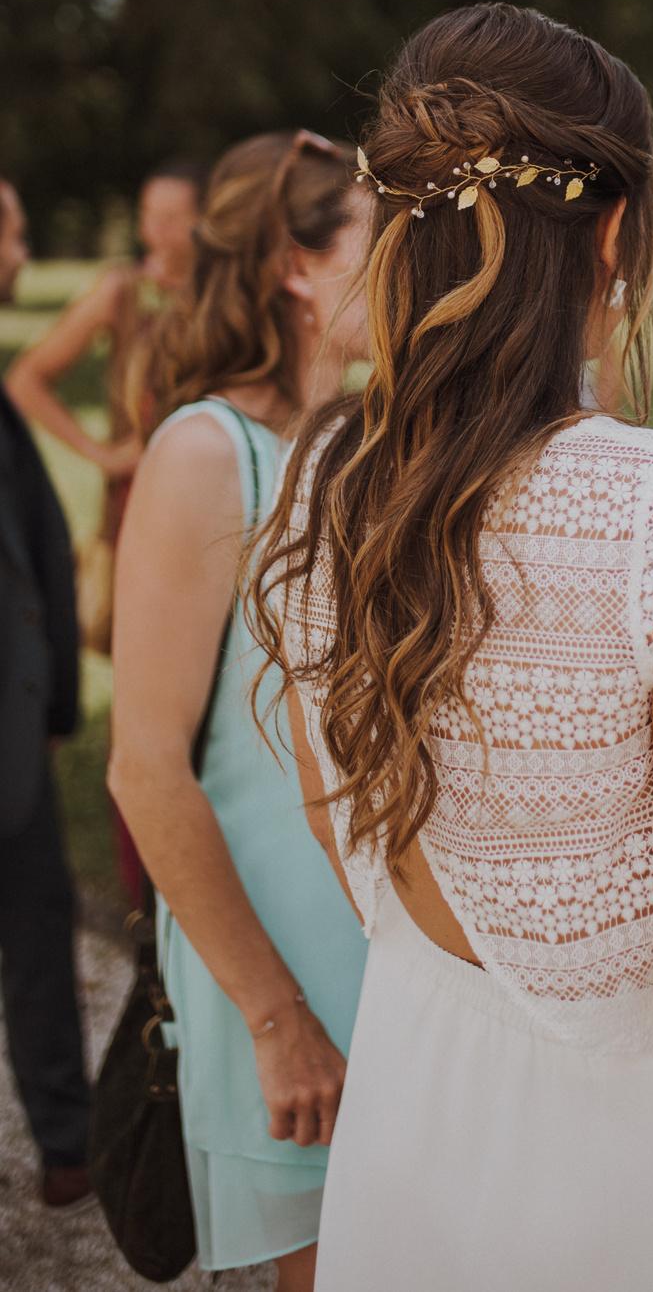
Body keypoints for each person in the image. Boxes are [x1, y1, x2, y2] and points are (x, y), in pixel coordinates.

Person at [255, 5, 653, 1292]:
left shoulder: (316, 479)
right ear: (613, 229)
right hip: (652, 1171)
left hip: (415, 1119)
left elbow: (344, 833)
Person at [108, 132, 371, 1292]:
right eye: (386, 239)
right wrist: (277, 1016)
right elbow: (146, 769)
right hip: (281, 960)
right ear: (294, 265)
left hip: (387, 952)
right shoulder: (205, 453)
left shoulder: (363, 443)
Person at [7, 158, 206, 904]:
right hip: (140, 514)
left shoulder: (225, 296)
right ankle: (141, 896)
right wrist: (102, 452)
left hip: (208, 516)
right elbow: (28, 376)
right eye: (146, 214)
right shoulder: (126, 294)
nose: (153, 231)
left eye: (169, 216)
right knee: (143, 709)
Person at [0, 179, 92, 1210]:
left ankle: (68, 1146)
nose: (24, 250)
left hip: (22, 735)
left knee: (41, 934)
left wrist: (56, 707)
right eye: (15, 232)